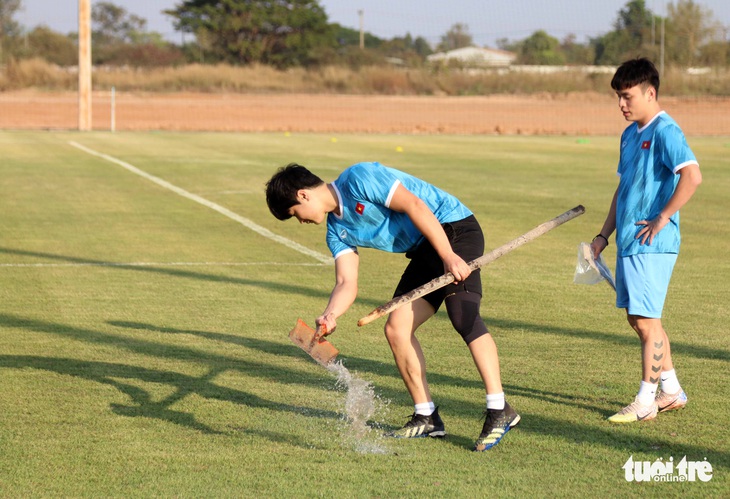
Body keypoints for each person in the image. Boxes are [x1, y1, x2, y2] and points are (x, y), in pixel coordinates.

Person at [266, 161, 519, 450]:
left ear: (303, 195)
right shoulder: (336, 230)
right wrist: (331, 314)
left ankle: (500, 410)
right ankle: (427, 416)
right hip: (426, 248)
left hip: (453, 228)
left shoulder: (358, 178)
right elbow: (346, 282)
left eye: (295, 214)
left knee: (463, 315)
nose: (300, 221)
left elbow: (414, 205)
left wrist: (448, 255)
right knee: (397, 329)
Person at [591, 58, 702, 424]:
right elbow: (622, 190)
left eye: (627, 96)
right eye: (618, 98)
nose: (621, 104)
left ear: (649, 93)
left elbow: (692, 176)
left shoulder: (667, 130)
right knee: (640, 320)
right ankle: (670, 389)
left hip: (653, 242)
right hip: (629, 241)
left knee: (646, 320)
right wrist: (603, 236)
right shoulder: (629, 134)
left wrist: (663, 216)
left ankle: (645, 400)